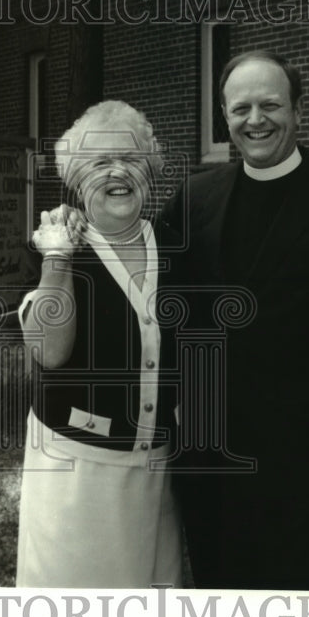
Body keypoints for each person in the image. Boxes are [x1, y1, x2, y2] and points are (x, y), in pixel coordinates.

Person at [160, 50, 309, 590]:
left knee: (292, 603)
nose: (256, 119)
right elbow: (154, 299)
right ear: (225, 116)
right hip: (206, 456)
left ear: (298, 111)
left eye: (271, 104)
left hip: (301, 463)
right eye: (241, 107)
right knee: (217, 599)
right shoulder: (195, 198)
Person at [15, 100, 183, 588]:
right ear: (75, 177)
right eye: (99, 163)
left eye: (132, 160)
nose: (118, 173)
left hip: (154, 475)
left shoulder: (175, 246)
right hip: (75, 476)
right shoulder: (55, 244)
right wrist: (58, 259)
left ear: (150, 170)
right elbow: (48, 352)